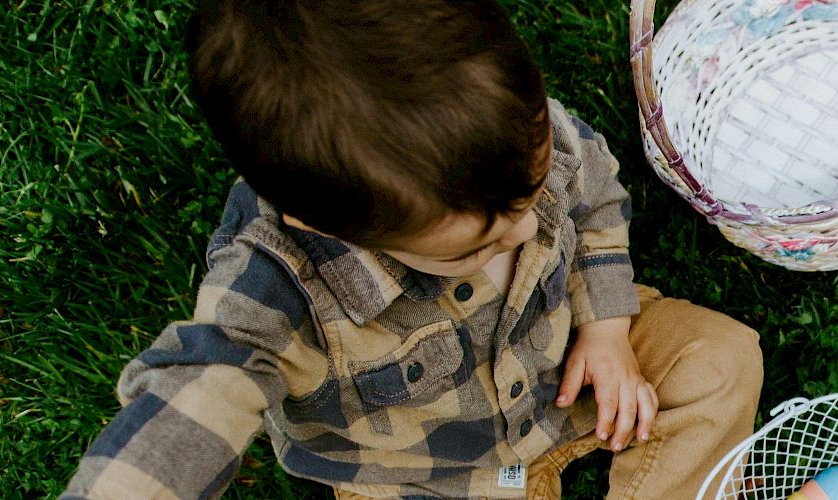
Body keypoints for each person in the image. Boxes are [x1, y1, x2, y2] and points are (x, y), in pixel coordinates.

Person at [62, 1, 762, 497]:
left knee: (721, 362)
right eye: (474, 247)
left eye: (533, 195)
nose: (526, 236)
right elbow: (193, 402)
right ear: (323, 224)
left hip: (570, 374)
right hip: (426, 475)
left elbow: (596, 196)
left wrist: (607, 329)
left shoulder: (510, 129)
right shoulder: (276, 289)